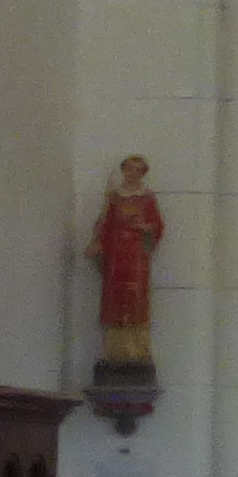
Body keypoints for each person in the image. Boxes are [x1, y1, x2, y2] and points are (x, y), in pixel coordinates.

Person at [89, 157, 165, 372]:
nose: (132, 174)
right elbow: (105, 225)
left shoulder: (147, 198)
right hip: (116, 257)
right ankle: (114, 351)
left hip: (136, 257)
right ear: (123, 171)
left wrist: (146, 227)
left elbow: (157, 225)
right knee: (115, 300)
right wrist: (98, 244)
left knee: (136, 301)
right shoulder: (114, 198)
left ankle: (137, 351)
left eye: (137, 171)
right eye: (129, 170)